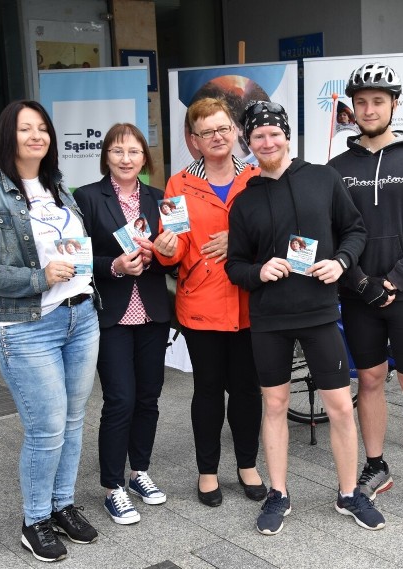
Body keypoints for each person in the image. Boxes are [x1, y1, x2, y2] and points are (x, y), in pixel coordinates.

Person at [226, 100, 385, 535]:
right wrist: (258, 271)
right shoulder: (244, 202)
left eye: (274, 133)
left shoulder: (323, 178)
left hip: (319, 313)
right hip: (269, 318)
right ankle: (278, 493)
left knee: (338, 406)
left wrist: (340, 262)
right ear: (249, 142)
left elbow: (355, 229)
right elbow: (234, 265)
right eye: (258, 135)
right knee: (274, 405)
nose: (267, 141)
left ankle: (350, 493)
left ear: (287, 136)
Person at [0, 100, 99, 563]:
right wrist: (39, 278)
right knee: (46, 429)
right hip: (27, 328)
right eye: (25, 129)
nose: (36, 136)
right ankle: (34, 519)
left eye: (42, 128)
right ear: (7, 137)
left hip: (81, 317)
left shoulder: (60, 187)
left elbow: (75, 249)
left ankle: (62, 506)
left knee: (74, 422)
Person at [327, 62, 403, 512]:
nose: (369, 108)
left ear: (394, 104)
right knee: (371, 379)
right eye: (361, 102)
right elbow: (334, 230)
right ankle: (376, 465)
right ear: (352, 108)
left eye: (378, 101)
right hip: (358, 296)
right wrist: (362, 283)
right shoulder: (337, 166)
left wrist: (396, 279)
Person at [148, 97, 265, 508]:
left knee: (249, 392)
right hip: (201, 305)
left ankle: (248, 466)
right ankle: (208, 471)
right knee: (209, 391)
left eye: (223, 128)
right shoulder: (179, 184)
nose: (216, 137)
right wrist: (164, 248)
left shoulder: (258, 176)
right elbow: (175, 245)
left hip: (252, 303)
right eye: (206, 132)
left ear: (235, 131)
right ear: (193, 140)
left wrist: (239, 239)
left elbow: (276, 231)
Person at [73, 123, 173, 526]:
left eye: (133, 152)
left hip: (152, 312)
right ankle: (113, 486)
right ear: (106, 157)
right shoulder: (86, 199)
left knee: (148, 397)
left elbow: (177, 256)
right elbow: (78, 258)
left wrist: (165, 253)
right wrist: (113, 265)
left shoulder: (160, 199)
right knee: (121, 400)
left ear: (144, 158)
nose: (126, 159)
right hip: (111, 314)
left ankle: (139, 473)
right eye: (118, 152)